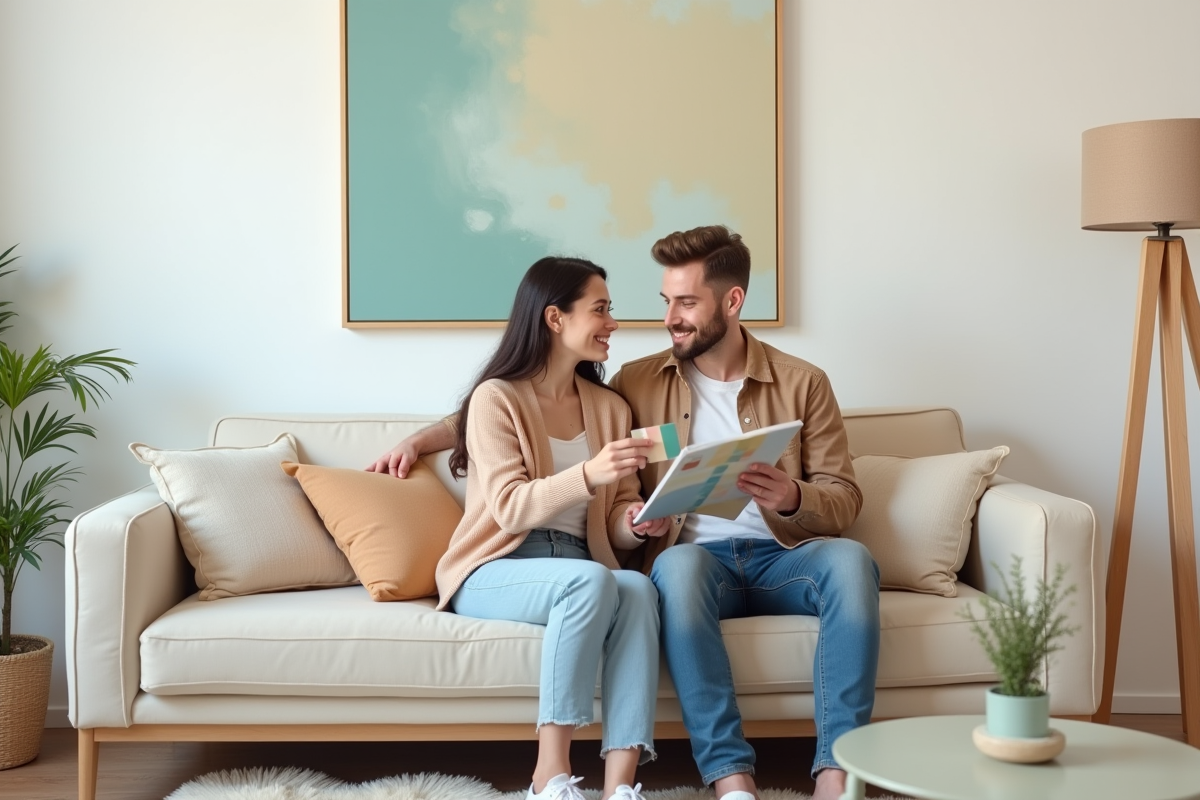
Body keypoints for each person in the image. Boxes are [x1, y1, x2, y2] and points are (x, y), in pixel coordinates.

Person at [370, 228, 879, 800]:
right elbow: (510, 406)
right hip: (685, 558)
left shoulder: (798, 384)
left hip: (783, 555)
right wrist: (421, 437)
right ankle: (730, 781)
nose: (669, 318)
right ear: (557, 318)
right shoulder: (642, 384)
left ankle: (835, 774)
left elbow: (843, 497)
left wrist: (789, 496)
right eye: (666, 302)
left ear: (731, 302)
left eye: (686, 303)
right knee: (670, 574)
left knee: (851, 561)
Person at [428, 256, 670, 800]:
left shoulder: (610, 408)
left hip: (585, 563)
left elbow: (617, 509)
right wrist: (588, 472)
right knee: (592, 582)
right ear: (555, 318)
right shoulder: (497, 398)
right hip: (498, 566)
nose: (613, 323)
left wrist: (636, 524)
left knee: (635, 587)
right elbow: (509, 508)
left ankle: (620, 786)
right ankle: (549, 775)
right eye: (601, 309)